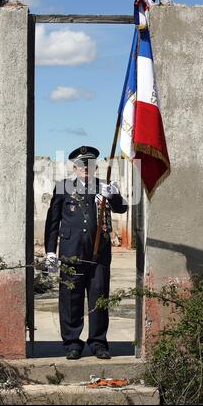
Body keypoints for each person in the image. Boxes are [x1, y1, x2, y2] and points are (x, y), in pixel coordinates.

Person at [44, 146, 127, 360]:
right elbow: (53, 222)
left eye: (90, 165)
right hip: (72, 253)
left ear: (95, 167)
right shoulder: (63, 187)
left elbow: (122, 208)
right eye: (82, 165)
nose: (86, 168)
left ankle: (98, 343)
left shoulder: (104, 187)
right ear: (75, 167)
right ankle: (72, 343)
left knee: (99, 298)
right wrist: (51, 251)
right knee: (71, 298)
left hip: (99, 253)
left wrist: (114, 195)